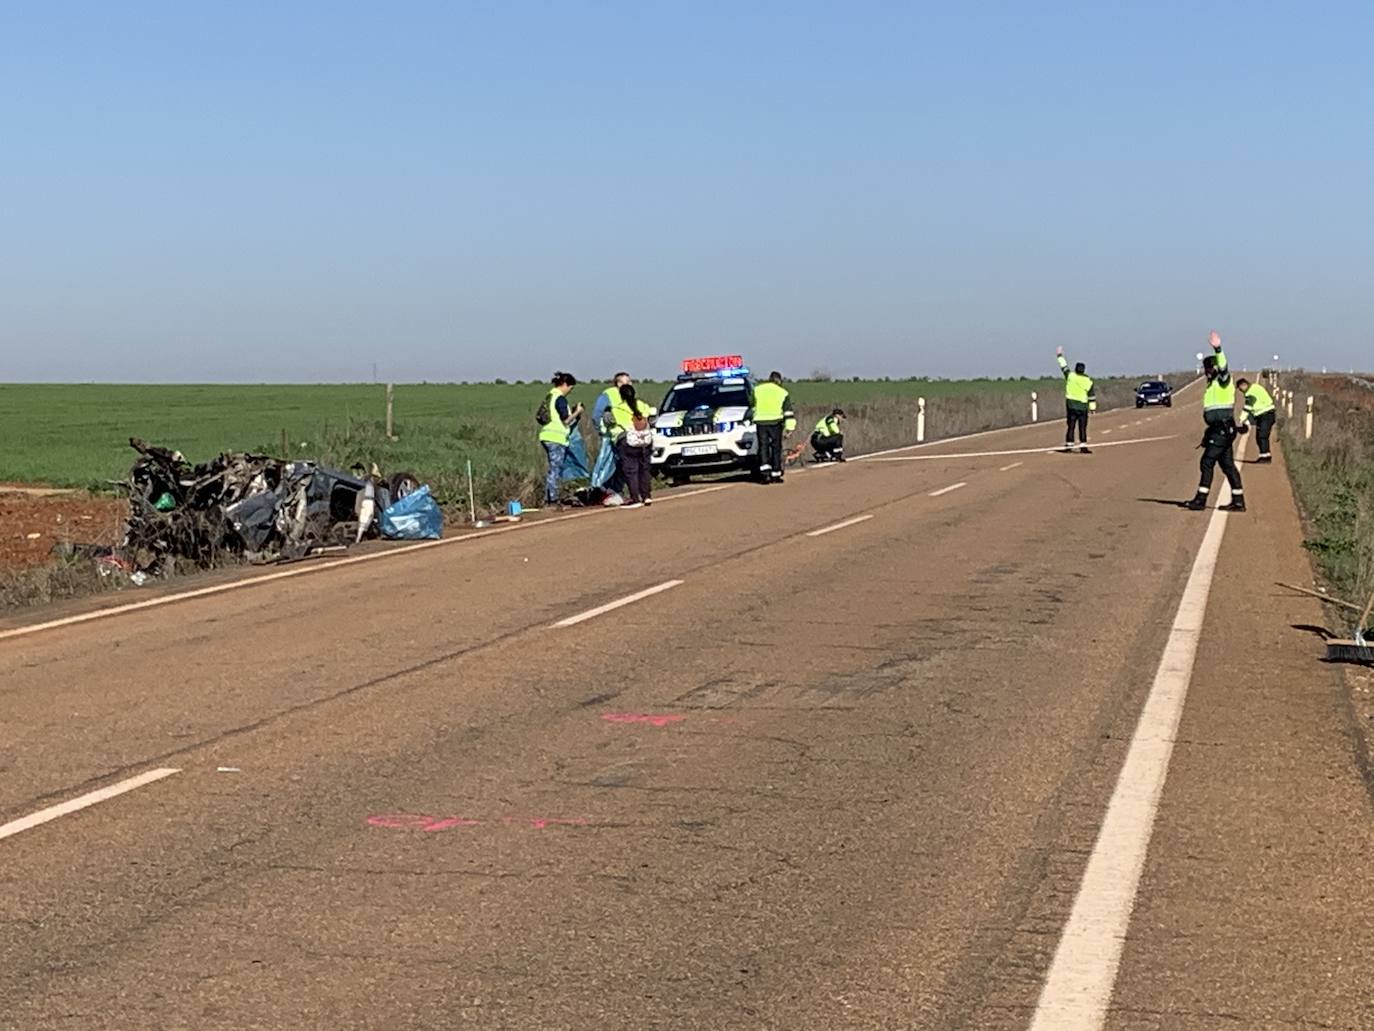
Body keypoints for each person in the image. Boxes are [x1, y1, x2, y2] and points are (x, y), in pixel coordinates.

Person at [1185, 331, 1245, 512]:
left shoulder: (1222, 380)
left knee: (1207, 462)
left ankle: (1201, 499)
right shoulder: (1211, 384)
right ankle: (1238, 501)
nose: (1206, 372)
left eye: (1208, 368)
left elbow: (1224, 368)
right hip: (1220, 429)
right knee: (1227, 465)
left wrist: (1218, 348)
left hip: (1222, 429)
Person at [537, 372, 583, 507]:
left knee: (554, 468)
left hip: (547, 435)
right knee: (555, 469)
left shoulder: (550, 396)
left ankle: (551, 496)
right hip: (556, 437)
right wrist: (577, 412)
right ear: (565, 385)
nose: (570, 391)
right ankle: (552, 499)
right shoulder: (560, 398)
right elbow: (566, 420)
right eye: (570, 388)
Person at [615, 383, 656, 508]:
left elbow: (612, 422)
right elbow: (652, 417)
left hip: (628, 442)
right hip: (645, 441)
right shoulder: (643, 405)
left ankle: (635, 497)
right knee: (644, 469)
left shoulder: (617, 409)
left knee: (631, 471)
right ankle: (646, 496)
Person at [591, 372, 632, 491]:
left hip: (626, 435)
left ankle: (616, 489)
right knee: (605, 463)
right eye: (627, 381)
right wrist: (601, 429)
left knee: (622, 464)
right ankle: (598, 489)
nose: (630, 384)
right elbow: (597, 414)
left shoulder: (627, 395)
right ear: (618, 383)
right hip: (610, 435)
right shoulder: (609, 395)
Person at [752, 371, 796, 483]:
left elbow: (752, 404)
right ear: (779, 380)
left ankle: (765, 474)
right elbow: (788, 412)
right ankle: (776, 473)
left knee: (763, 447)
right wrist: (789, 428)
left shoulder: (757, 389)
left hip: (761, 422)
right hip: (776, 422)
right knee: (776, 447)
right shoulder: (783, 392)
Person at [1056, 346, 1097, 453]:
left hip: (1071, 405)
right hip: (1083, 407)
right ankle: (1083, 446)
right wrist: (1092, 408)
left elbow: (1063, 366)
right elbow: (1091, 396)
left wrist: (1059, 355)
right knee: (1082, 427)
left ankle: (1069, 445)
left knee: (1071, 426)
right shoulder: (1088, 381)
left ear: (1075, 369)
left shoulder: (1070, 376)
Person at [1236, 376, 1276, 463]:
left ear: (1244, 385)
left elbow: (1248, 407)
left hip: (1265, 414)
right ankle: (1264, 455)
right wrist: (1247, 422)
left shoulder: (1250, 393)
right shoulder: (1256, 387)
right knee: (1260, 436)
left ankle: (1265, 458)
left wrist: (1241, 419)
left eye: (1240, 389)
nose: (1241, 391)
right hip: (1264, 414)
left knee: (1262, 436)